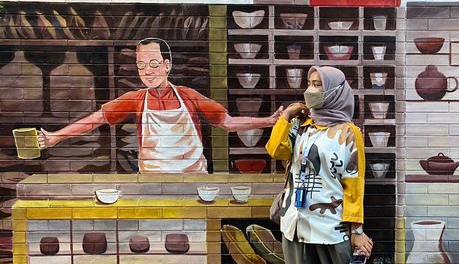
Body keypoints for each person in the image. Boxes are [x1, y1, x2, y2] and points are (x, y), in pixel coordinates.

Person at [265, 66, 411, 264]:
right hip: (296, 222)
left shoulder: (348, 133)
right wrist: (286, 116)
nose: (311, 90)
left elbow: (354, 186)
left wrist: (356, 232)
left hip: (333, 226)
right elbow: (275, 150)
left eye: (318, 84)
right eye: (309, 84)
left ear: (334, 90)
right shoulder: (300, 127)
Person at [37, 37, 281, 173]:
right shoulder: (135, 99)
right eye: (141, 65)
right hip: (152, 182)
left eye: (153, 64)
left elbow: (227, 122)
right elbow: (97, 119)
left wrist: (268, 121)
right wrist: (56, 137)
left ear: (167, 65)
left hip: (194, 180)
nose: (147, 71)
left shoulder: (189, 96)